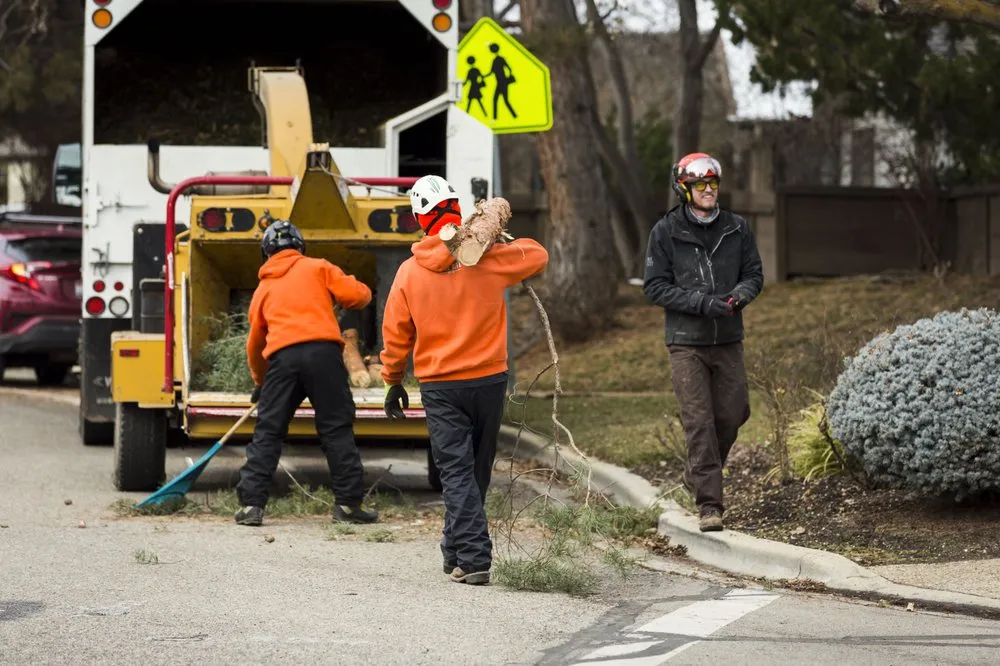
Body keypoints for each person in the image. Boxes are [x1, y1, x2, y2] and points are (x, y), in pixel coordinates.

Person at [380, 175, 549, 585]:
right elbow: (538, 254)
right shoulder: (489, 260)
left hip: (440, 386)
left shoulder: (408, 272)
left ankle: (472, 559)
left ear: (419, 218)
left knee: (456, 473)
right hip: (489, 380)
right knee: (475, 472)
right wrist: (494, 236)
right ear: (458, 209)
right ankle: (455, 551)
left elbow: (396, 332)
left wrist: (392, 379)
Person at [642, 152, 764, 532]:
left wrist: (739, 295)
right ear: (685, 189)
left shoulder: (737, 228)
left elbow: (754, 275)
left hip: (728, 338)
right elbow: (655, 286)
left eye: (713, 184)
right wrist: (700, 303)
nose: (709, 190)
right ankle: (710, 505)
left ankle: (696, 472)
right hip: (686, 342)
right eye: (700, 185)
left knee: (733, 413)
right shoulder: (666, 231)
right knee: (699, 422)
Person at [235, 219, 379, 527]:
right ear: (300, 247)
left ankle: (251, 506)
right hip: (324, 356)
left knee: (269, 432)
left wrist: (261, 382)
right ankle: (348, 506)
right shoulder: (318, 267)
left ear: (266, 253)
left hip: (282, 360)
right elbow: (359, 295)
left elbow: (255, 344)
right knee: (336, 429)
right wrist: (351, 295)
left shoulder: (263, 289)